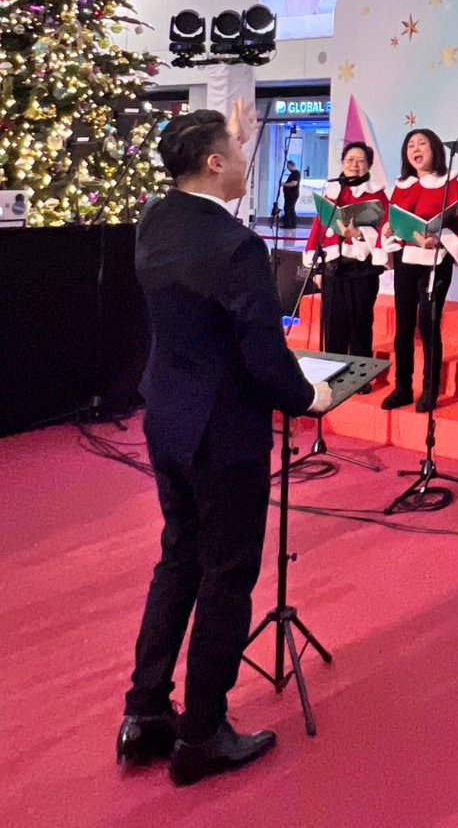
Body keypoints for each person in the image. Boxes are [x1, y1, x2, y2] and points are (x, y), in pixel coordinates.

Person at [118, 107, 333, 786]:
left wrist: (234, 127)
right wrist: (309, 398)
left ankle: (146, 712)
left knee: (178, 558)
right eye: (236, 150)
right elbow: (263, 353)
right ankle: (203, 732)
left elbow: (202, 321)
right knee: (226, 576)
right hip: (224, 433)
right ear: (213, 163)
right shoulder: (236, 247)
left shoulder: (157, 218)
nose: (246, 160)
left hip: (168, 418)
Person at [376, 129, 458, 412]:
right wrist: (390, 229)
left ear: (435, 151)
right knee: (403, 326)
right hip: (407, 258)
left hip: (435, 261)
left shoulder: (449, 184)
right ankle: (402, 386)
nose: (416, 149)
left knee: (428, 326)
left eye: (423, 144)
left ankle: (430, 388)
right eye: (411, 145)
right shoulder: (402, 184)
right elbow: (391, 218)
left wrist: (439, 237)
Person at [302, 142, 389, 374]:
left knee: (360, 321)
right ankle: (333, 372)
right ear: (342, 163)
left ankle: (360, 374)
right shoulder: (332, 193)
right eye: (350, 160)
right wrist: (318, 269)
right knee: (333, 321)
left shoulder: (377, 194)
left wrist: (359, 234)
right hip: (333, 268)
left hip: (362, 268)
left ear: (369, 165)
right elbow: (318, 231)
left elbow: (385, 231)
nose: (354, 165)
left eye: (360, 161)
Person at [280, 159, 300, 229]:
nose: (287, 168)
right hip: (289, 195)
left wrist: (284, 184)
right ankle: (287, 223)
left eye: (288, 166)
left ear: (291, 165)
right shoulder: (292, 174)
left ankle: (292, 224)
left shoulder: (296, 173)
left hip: (292, 194)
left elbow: (294, 183)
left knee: (290, 208)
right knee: (287, 208)